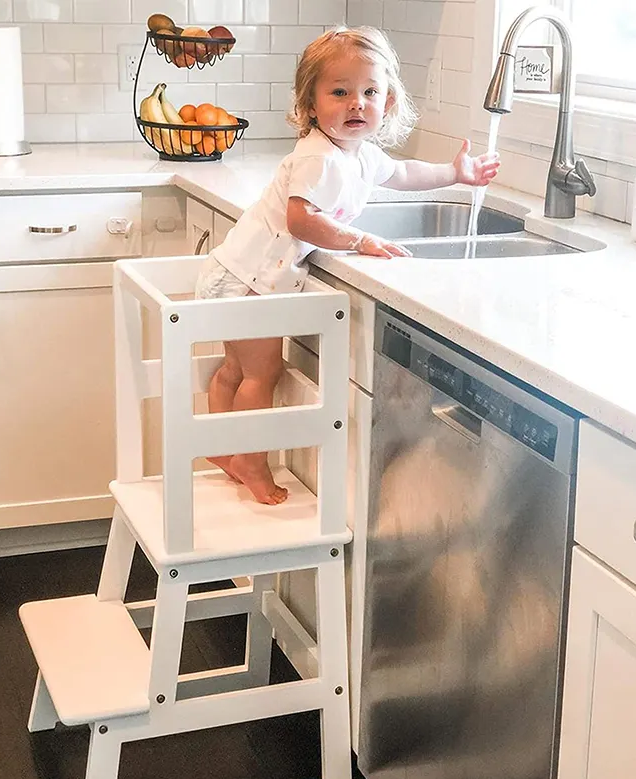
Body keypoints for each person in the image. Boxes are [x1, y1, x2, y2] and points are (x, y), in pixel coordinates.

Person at [194, 26, 500, 505]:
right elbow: (301, 220)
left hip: (234, 270)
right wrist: (359, 240)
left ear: (387, 101)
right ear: (310, 103)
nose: (356, 103)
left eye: (369, 92)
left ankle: (220, 448)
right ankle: (249, 464)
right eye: (340, 92)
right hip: (248, 281)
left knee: (234, 369)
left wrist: (453, 174)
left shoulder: (357, 153)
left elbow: (402, 173)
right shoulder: (321, 159)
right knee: (260, 373)